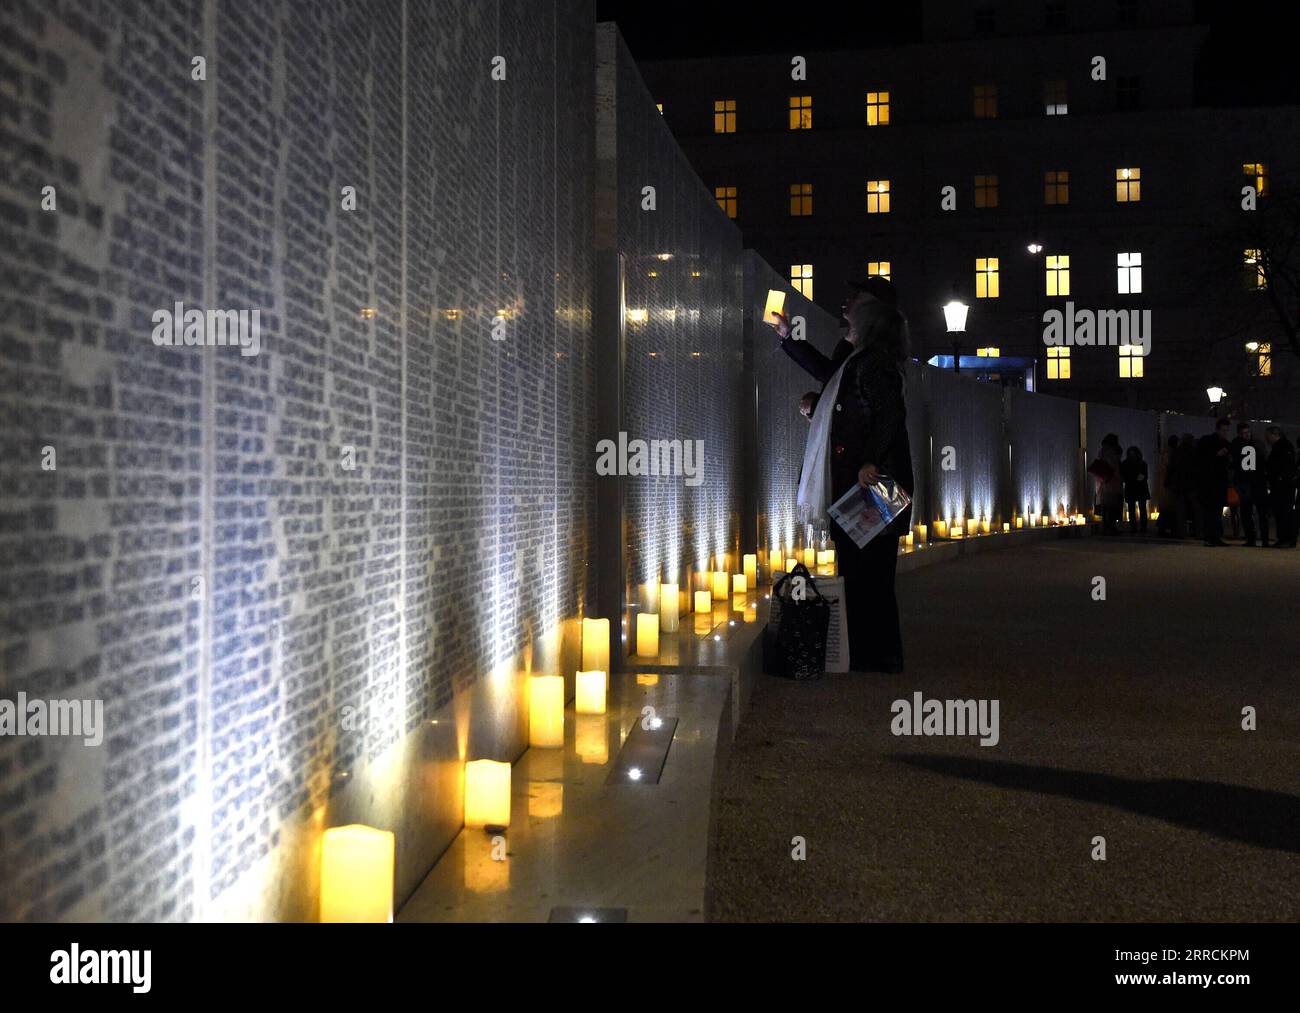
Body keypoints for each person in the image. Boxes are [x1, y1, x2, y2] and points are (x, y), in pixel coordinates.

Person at [781, 295, 913, 673]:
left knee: (867, 569)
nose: (847, 326)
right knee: (863, 567)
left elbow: (889, 415)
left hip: (873, 484)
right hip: (869, 481)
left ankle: (875, 653)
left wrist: (871, 458)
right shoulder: (866, 362)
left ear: (868, 326)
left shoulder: (874, 364)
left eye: (853, 320)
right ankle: (870, 651)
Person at [1230, 422, 1269, 546]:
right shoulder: (1256, 445)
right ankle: (1263, 539)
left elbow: (1234, 463)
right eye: (1245, 433)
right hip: (1256, 482)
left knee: (1247, 511)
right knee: (1258, 512)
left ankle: (1252, 539)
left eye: (1247, 433)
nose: (1247, 435)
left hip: (1246, 482)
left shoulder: (1237, 445)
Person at [1196, 419, 1233, 547]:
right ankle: (1210, 537)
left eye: (1226, 430)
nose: (1225, 432)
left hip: (1218, 482)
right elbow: (1200, 459)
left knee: (1216, 511)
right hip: (1210, 482)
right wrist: (1216, 455)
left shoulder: (1223, 443)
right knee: (1211, 510)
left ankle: (1214, 536)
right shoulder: (1209, 442)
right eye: (1223, 430)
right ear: (1218, 429)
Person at [1265, 426, 1297, 548]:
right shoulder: (1283, 446)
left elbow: (1284, 466)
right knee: (1282, 512)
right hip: (1282, 484)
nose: (1266, 438)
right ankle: (1286, 539)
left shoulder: (1282, 446)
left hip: (1283, 485)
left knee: (1284, 512)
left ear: (1274, 435)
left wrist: (1280, 478)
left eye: (1268, 435)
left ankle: (1286, 539)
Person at [1095, 434, 1124, 535]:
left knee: (1106, 507)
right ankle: (1111, 528)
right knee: (1112, 506)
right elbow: (1114, 467)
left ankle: (1106, 527)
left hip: (1103, 481)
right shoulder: (1112, 453)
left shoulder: (1102, 452)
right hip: (1112, 482)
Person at [1119, 445, 1150, 534]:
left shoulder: (1128, 463)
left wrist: (1131, 480)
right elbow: (1144, 475)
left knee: (1138, 508)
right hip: (1138, 487)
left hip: (1134, 487)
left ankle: (1138, 527)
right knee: (1136, 508)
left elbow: (1144, 475)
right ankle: (1137, 527)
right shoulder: (1141, 463)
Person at [1175, 432, 1199, 538]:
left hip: (1180, 484)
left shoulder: (1177, 451)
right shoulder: (1195, 452)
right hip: (1192, 483)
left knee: (1181, 510)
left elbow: (1172, 467)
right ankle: (1198, 531)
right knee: (1196, 509)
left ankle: (1181, 532)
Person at [1156, 435, 1179, 537]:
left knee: (1165, 508)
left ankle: (1163, 528)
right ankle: (1168, 528)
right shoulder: (1171, 454)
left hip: (1164, 484)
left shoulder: (1164, 454)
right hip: (1169, 484)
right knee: (1169, 508)